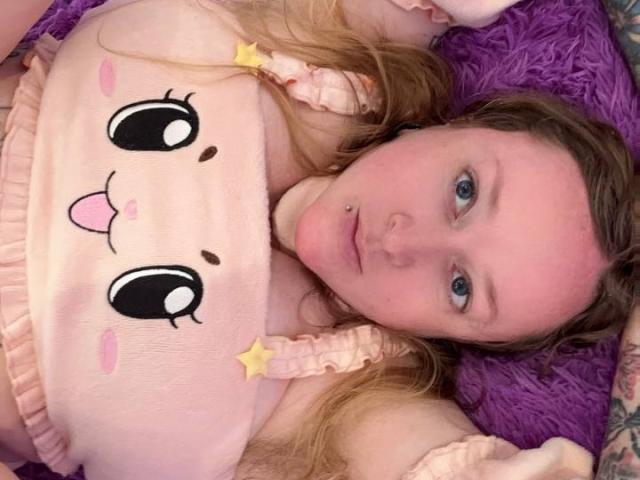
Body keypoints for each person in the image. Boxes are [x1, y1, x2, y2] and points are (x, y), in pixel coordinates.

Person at [0, 0, 635, 479]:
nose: (402, 243)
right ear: (447, 127)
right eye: (464, 190)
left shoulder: (334, 393)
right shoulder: (328, 58)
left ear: (450, 337)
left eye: (460, 287)